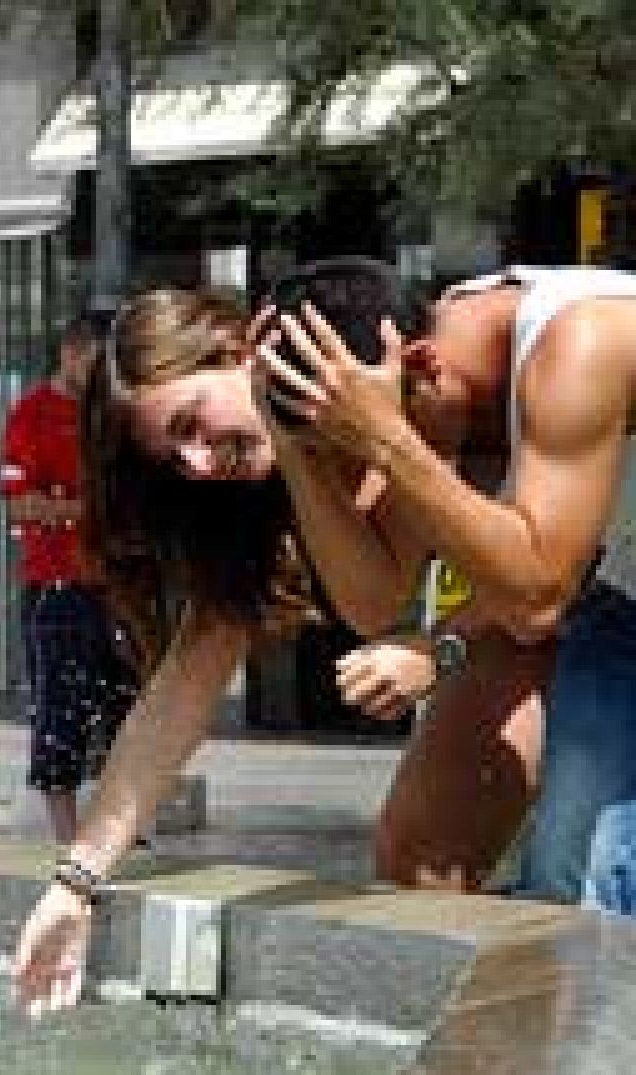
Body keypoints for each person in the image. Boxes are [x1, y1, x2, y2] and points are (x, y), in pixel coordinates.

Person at [10, 258, 565, 1017]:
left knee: (588, 860)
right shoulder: (271, 478)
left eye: (190, 425)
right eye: (177, 458)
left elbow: (534, 586)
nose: (201, 463)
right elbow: (183, 689)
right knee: (419, 852)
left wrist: (436, 649)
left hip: (565, 572)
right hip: (546, 597)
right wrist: (75, 884)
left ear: (241, 350)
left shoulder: (385, 363)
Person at [263, 265, 636, 913]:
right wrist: (293, 448)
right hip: (603, 594)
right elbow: (373, 600)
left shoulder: (584, 337)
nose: (370, 479)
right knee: (423, 855)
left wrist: (387, 438)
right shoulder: (425, 381)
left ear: (424, 365)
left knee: (592, 888)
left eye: (366, 444)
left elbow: (538, 595)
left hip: (570, 591)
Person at [0, 313, 140, 843]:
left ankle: (122, 823)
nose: (104, 375)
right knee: (60, 709)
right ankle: (66, 833)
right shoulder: (31, 415)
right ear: (70, 352)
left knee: (127, 704)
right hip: (55, 585)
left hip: (118, 585)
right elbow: (19, 507)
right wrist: (88, 511)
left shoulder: (112, 414)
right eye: (96, 362)